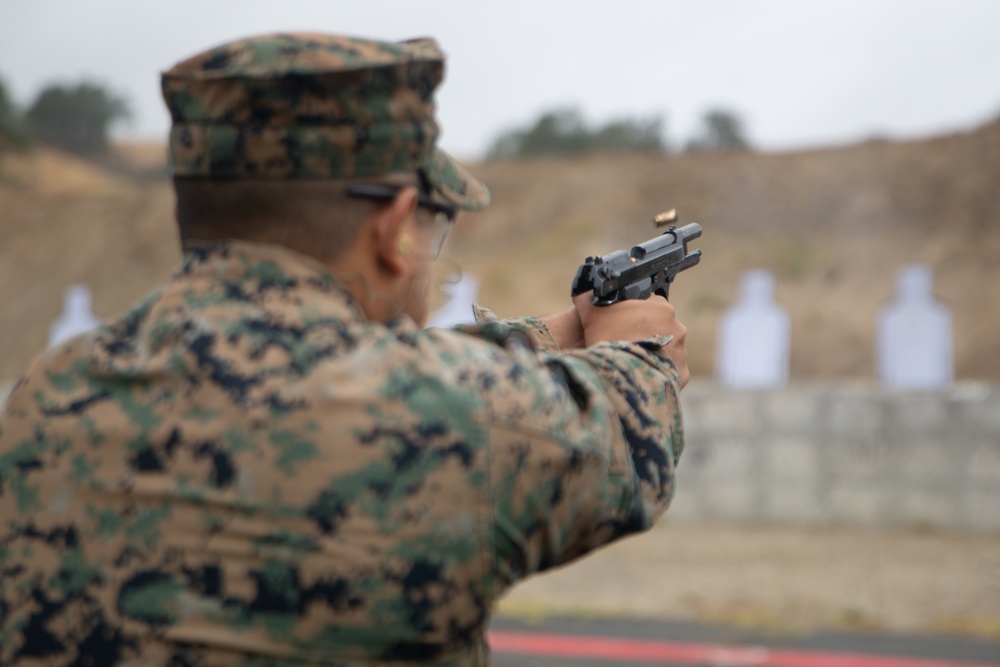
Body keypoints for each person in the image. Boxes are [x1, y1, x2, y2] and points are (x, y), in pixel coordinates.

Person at [0, 33, 688, 666]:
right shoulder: (443, 420)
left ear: (189, 210)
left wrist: (544, 334)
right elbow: (623, 440)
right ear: (394, 232)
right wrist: (642, 349)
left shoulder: (49, 394)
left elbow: (333, 375)